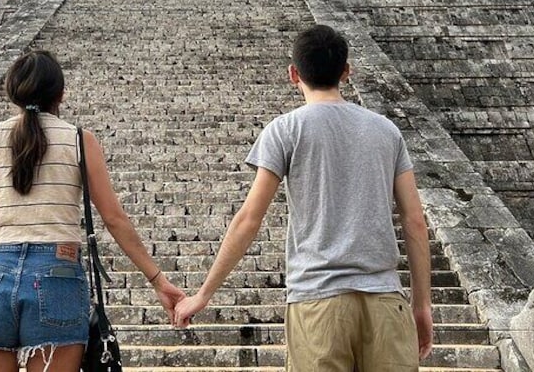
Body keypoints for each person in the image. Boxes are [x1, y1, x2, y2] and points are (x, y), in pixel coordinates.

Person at [174, 25, 433, 371]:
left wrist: (203, 294)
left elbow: (250, 218)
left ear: (293, 74)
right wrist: (422, 305)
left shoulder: (285, 129)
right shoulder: (387, 131)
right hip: (385, 300)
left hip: (316, 302)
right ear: (346, 71)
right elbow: (414, 221)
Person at [0, 50, 185, 372]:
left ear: (12, 92)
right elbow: (113, 219)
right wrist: (158, 280)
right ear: (61, 94)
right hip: (58, 275)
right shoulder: (80, 141)